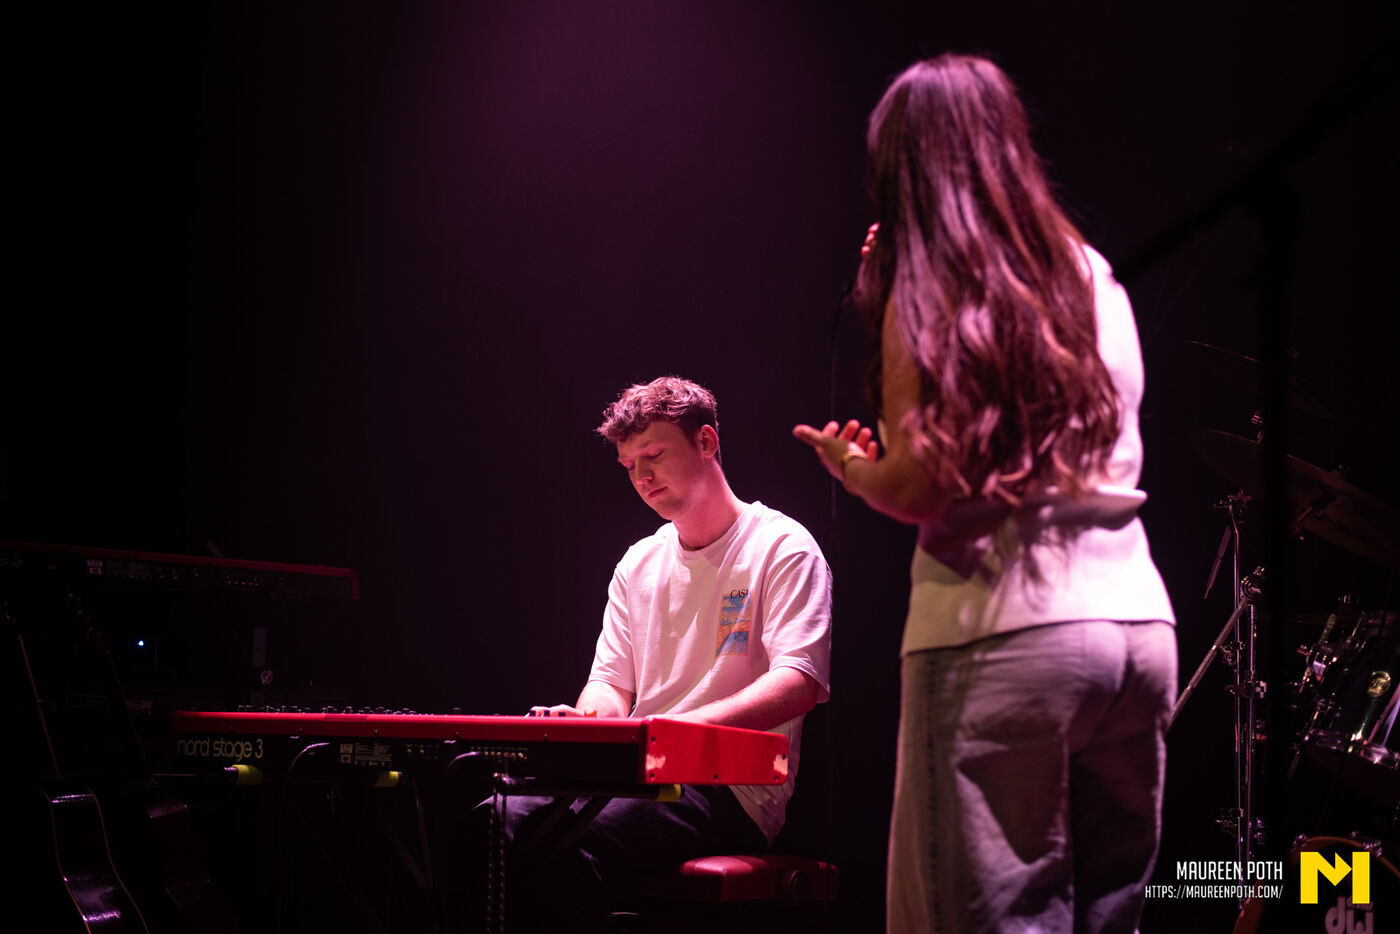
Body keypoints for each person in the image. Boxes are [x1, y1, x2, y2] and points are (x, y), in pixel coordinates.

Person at [793, 54, 1176, 934]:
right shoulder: (1091, 273)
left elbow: (924, 484)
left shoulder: (933, 280)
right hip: (1135, 631)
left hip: (1002, 634)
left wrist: (853, 467)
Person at [495, 375, 833, 931]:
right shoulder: (637, 563)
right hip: (637, 775)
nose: (642, 477)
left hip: (729, 791)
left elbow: (799, 682)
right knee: (492, 823)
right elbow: (610, 685)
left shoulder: (782, 547)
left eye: (653, 456)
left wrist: (676, 733)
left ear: (706, 441)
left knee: (564, 850)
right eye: (629, 466)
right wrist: (586, 722)